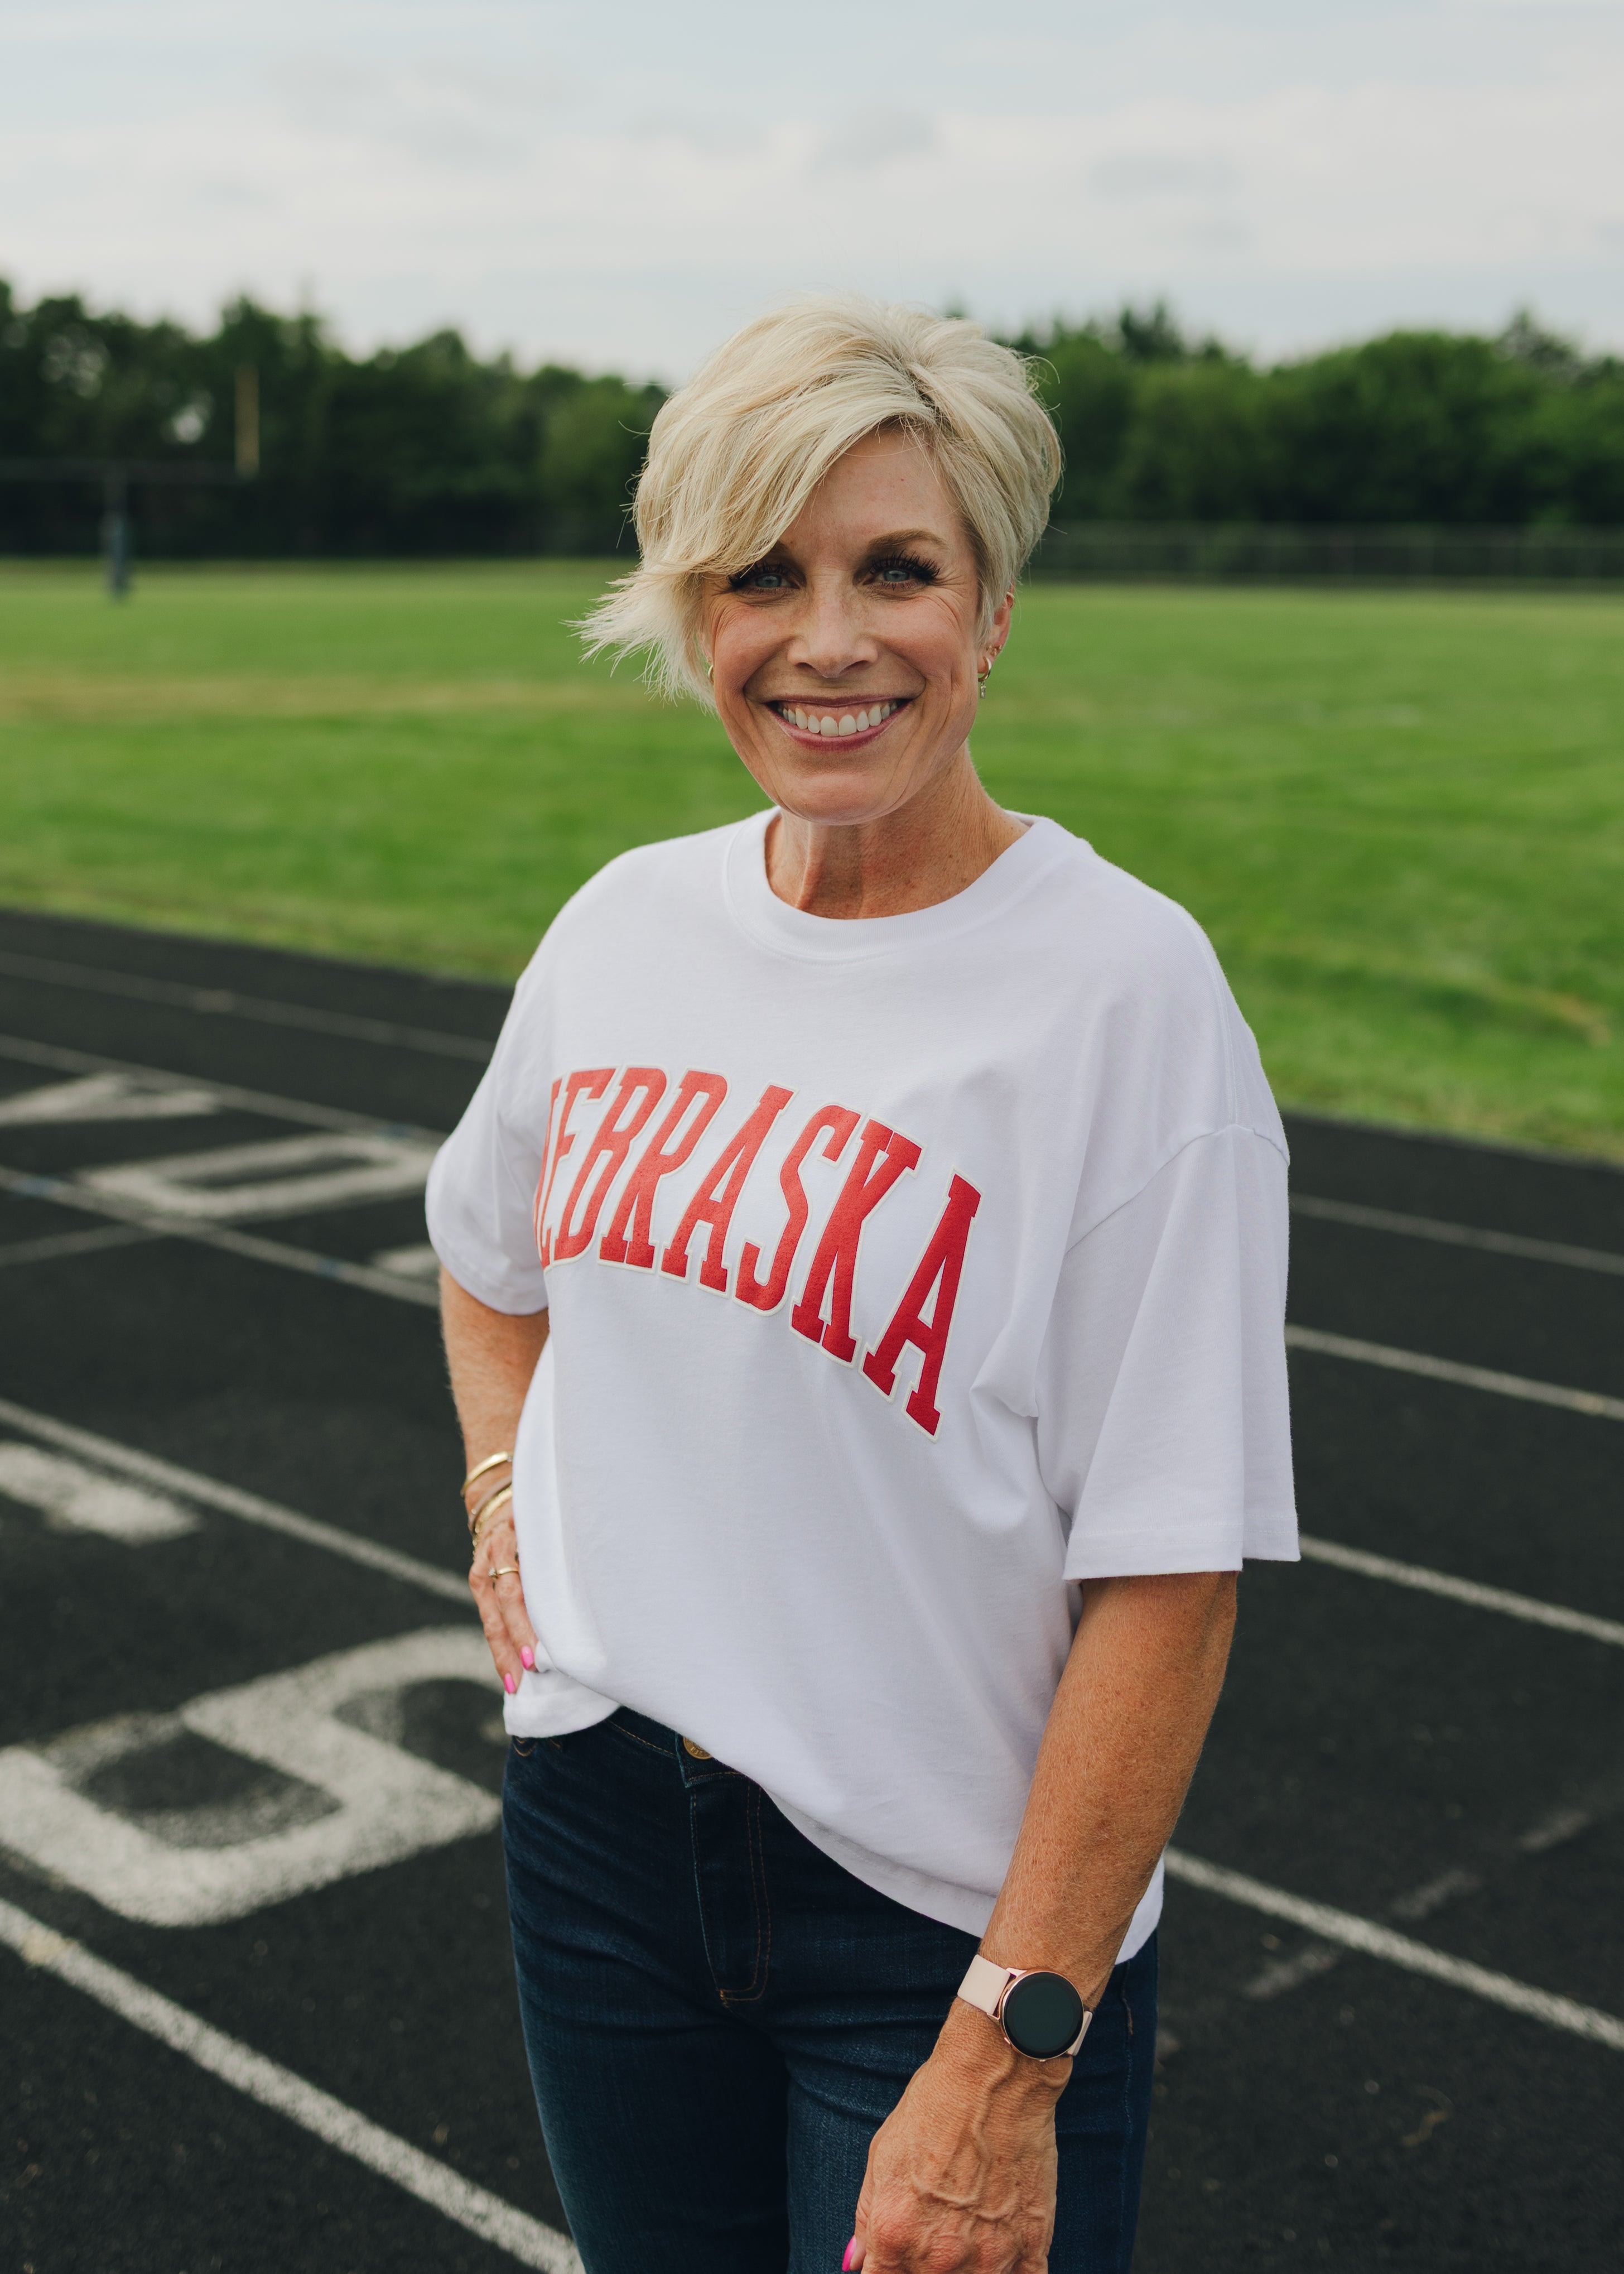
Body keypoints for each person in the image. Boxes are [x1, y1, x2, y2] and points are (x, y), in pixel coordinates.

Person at [427, 295, 1298, 2274]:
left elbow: (1169, 1576)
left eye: (896, 569)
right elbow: (487, 1263)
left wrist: (1010, 2045)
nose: (826, 639)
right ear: (692, 617)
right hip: (603, 1838)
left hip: (941, 1924)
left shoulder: (1126, 996)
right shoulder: (622, 929)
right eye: (763, 577)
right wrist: (499, 1495)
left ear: (989, 611)